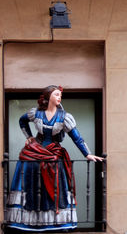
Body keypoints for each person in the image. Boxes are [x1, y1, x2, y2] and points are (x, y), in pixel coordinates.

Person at [6, 85, 103, 231]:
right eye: (56, 94)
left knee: (55, 187)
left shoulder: (64, 117)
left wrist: (87, 154)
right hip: (34, 152)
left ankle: (55, 222)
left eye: (60, 95)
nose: (59, 97)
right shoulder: (36, 113)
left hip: (53, 153)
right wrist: (29, 137)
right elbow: (22, 121)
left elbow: (76, 137)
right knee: (32, 186)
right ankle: (30, 222)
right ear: (48, 96)